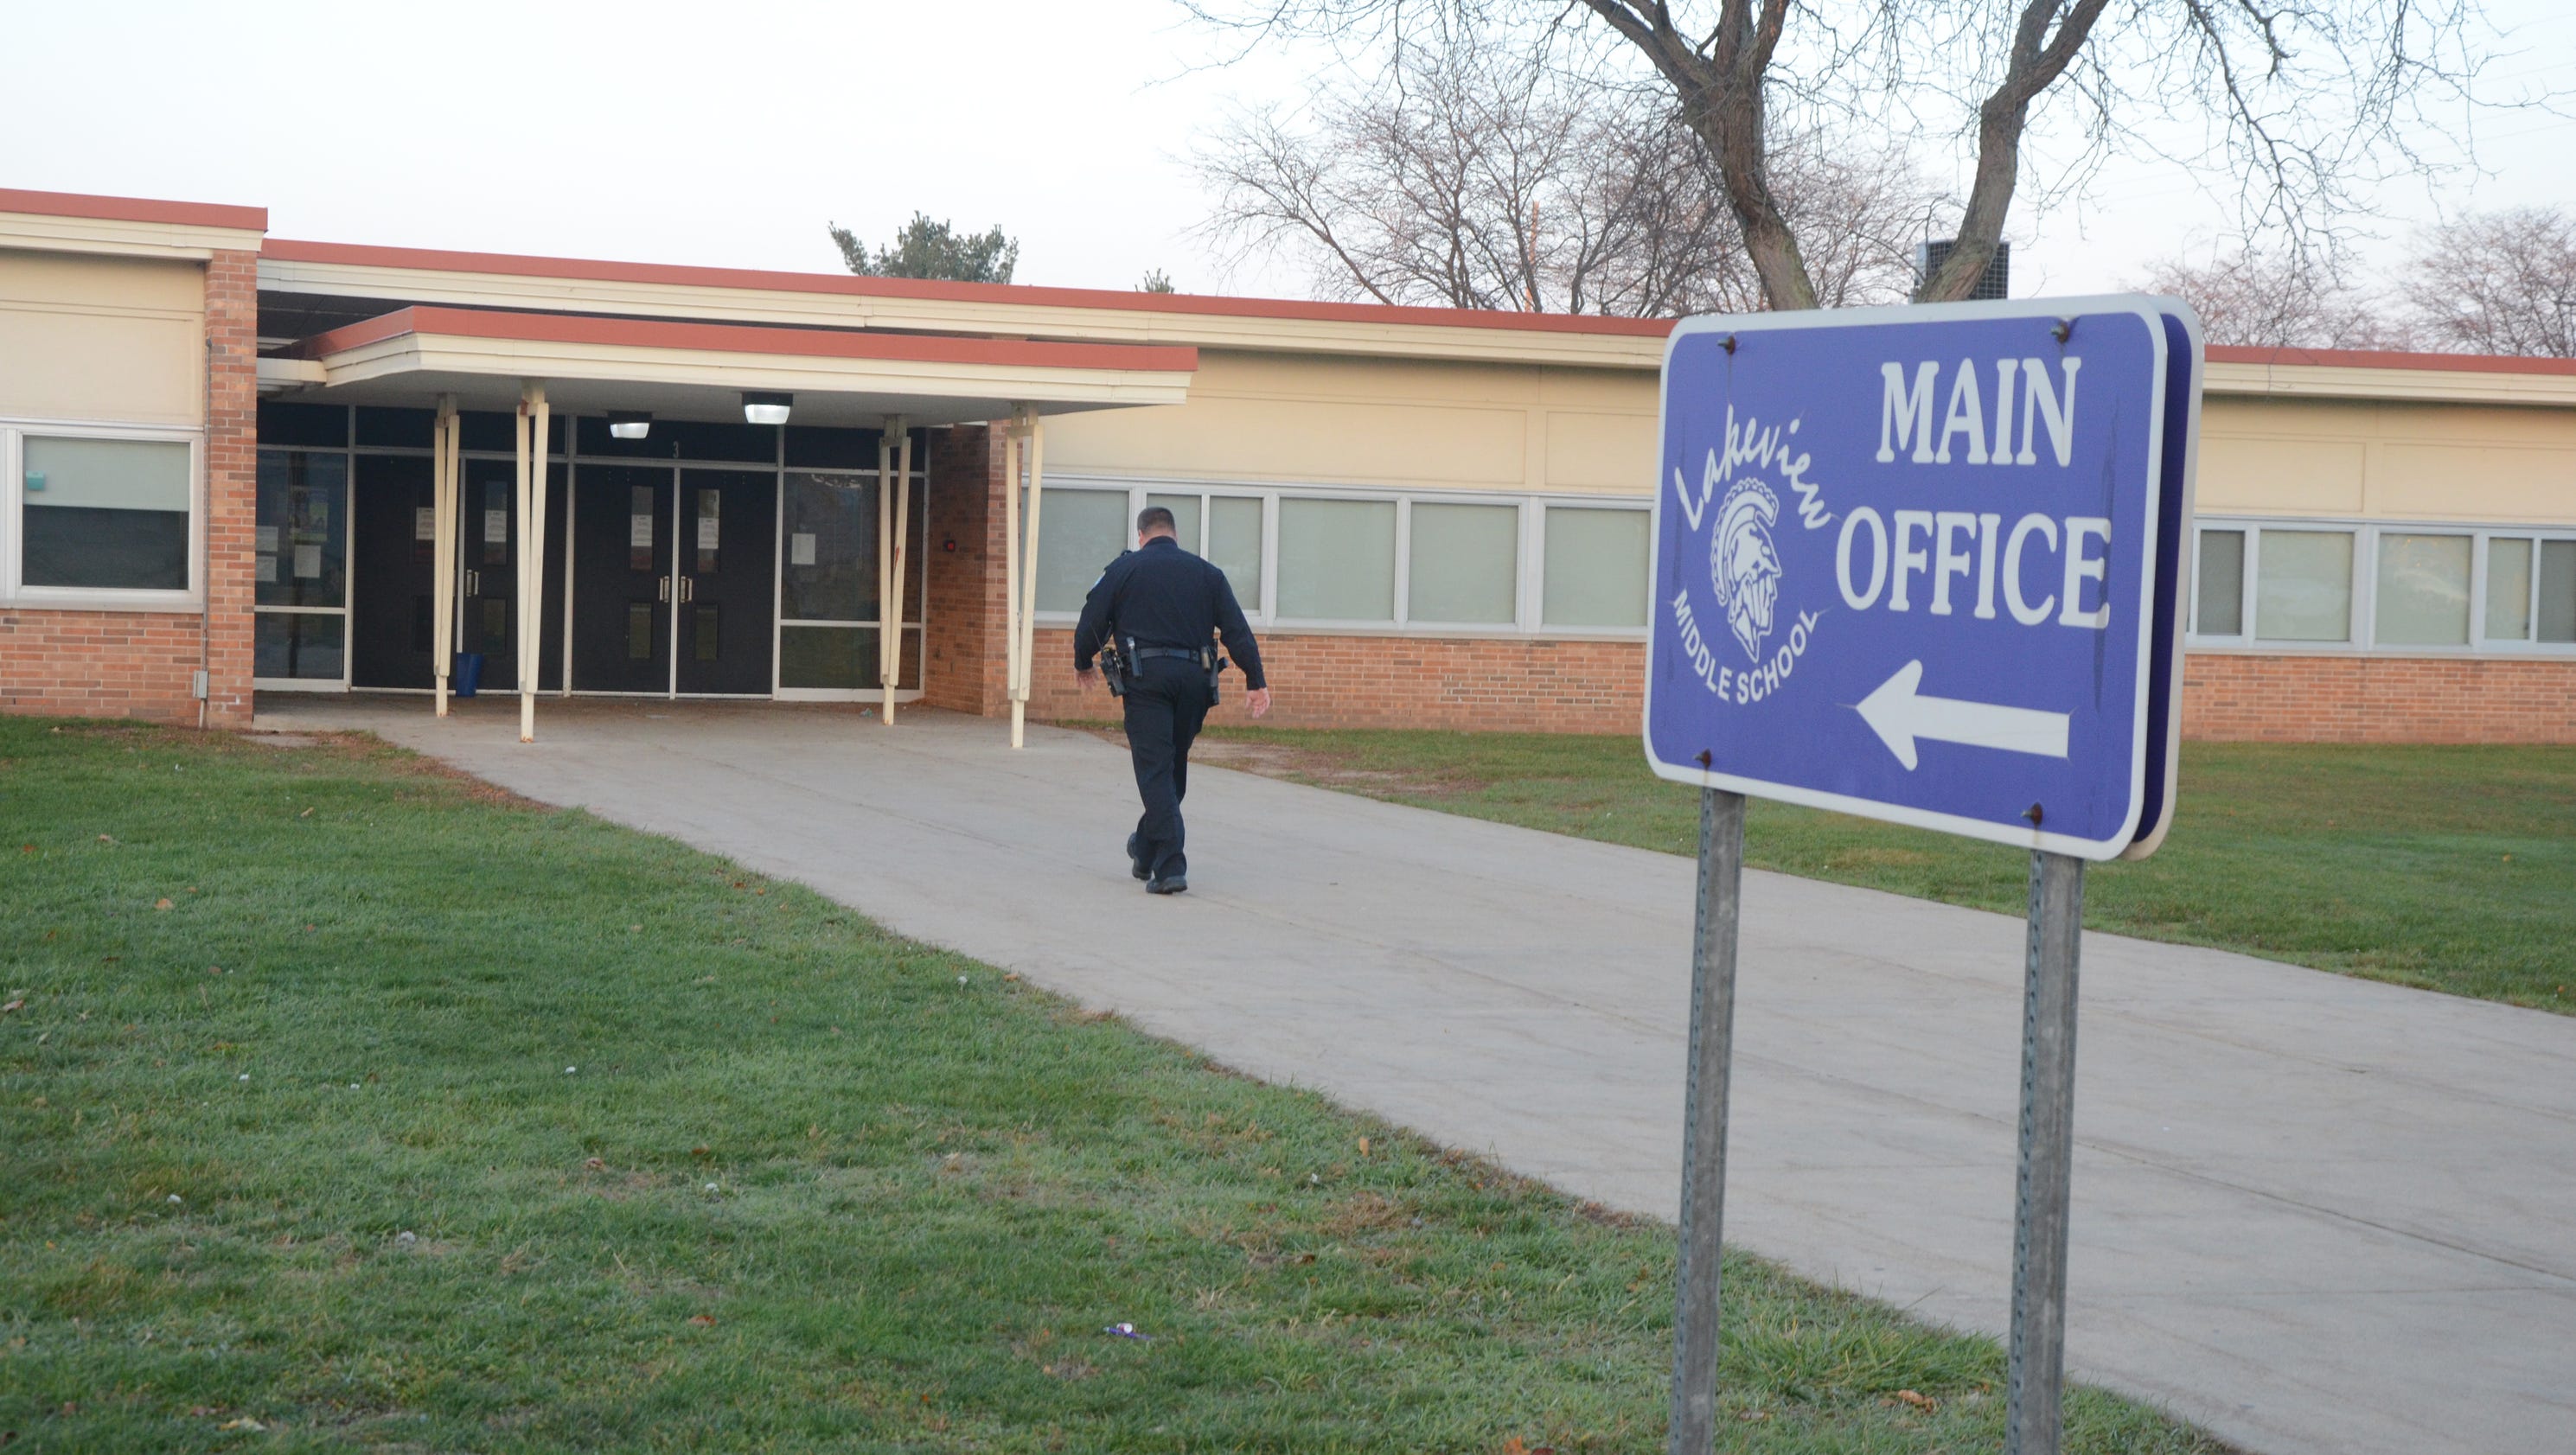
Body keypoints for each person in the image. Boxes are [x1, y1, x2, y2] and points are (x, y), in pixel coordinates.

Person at [1073, 506, 1270, 895]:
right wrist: (1256, 679)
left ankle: (1171, 863)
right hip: (1195, 683)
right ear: (1174, 534)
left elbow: (1092, 620)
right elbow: (1236, 629)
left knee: (1155, 770)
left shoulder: (1124, 571)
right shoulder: (1207, 574)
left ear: (1141, 535)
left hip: (1147, 683)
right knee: (1171, 766)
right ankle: (1145, 847)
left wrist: (1083, 662)